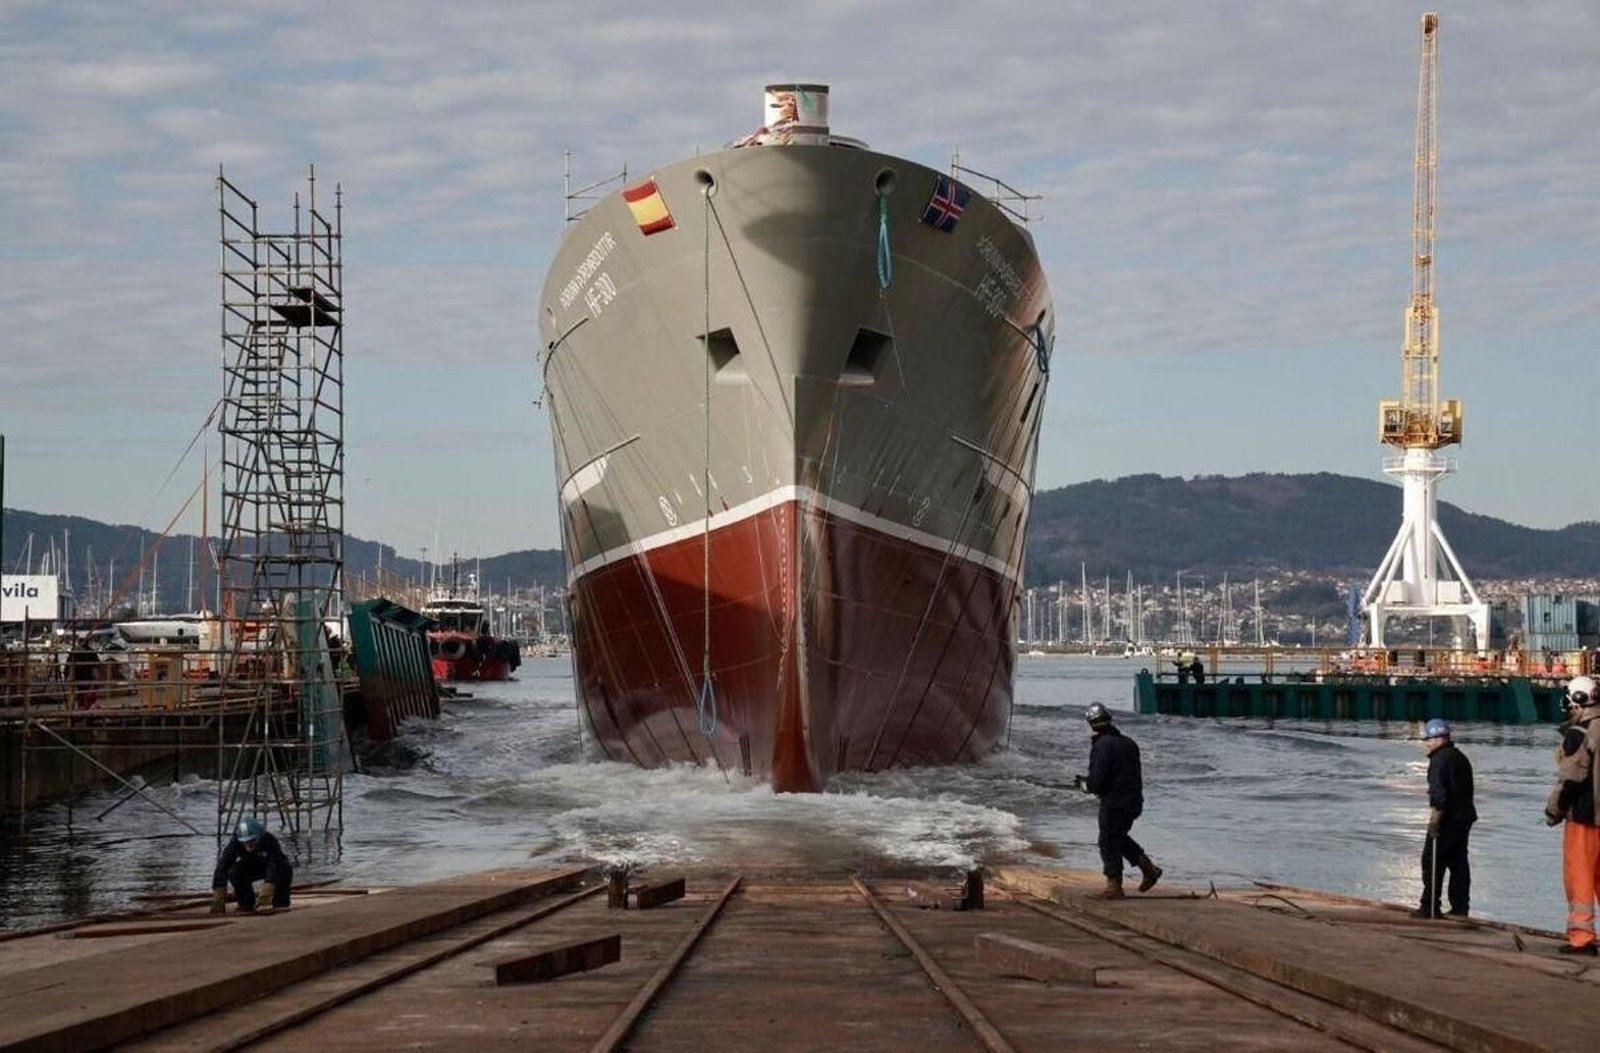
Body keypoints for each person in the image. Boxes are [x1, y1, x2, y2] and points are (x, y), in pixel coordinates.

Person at [1074, 702, 1162, 899]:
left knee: (1107, 841)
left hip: (1115, 802)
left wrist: (1084, 785)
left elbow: (1098, 782)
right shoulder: (1128, 743)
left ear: (1091, 724)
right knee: (1118, 837)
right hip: (1133, 801)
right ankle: (1149, 869)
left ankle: (1114, 886)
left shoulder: (1102, 746)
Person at [1545, 675, 1600, 955]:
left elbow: (1570, 779)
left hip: (1585, 818)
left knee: (1580, 879)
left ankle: (1582, 937)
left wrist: (1554, 810)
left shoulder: (1580, 733)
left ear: (1577, 700)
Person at [1413, 718, 1476, 919]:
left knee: (1432, 861)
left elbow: (1439, 795)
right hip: (1464, 818)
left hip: (1447, 819)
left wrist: (1434, 821)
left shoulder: (1439, 760)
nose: (1426, 743)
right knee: (1458, 863)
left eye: (1429, 739)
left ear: (1440, 738)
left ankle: (1430, 906)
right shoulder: (1460, 757)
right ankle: (1460, 907)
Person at [211, 816, 294, 915]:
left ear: (259, 835)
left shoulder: (269, 839)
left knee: (284, 867)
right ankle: (245, 903)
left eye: (252, 840)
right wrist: (219, 889)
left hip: (271, 867)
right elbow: (223, 864)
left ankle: (281, 902)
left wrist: (269, 884)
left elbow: (274, 861)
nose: (249, 844)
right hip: (251, 866)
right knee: (234, 871)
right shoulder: (235, 842)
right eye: (245, 841)